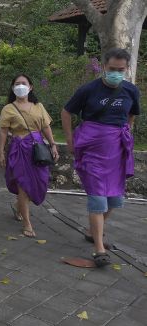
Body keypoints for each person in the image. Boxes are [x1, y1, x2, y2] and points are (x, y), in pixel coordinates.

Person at [61, 48, 140, 267]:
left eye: (120, 70)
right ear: (104, 67)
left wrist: (126, 131)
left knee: (115, 199)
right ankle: (99, 248)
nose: (116, 73)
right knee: (97, 198)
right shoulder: (88, 89)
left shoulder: (131, 91)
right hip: (91, 147)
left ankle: (93, 231)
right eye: (112, 69)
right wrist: (70, 141)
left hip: (116, 150)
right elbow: (66, 112)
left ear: (127, 69)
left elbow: (132, 113)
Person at [0, 74, 58, 238]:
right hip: (19, 149)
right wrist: (1, 152)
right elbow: (3, 131)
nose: (20, 86)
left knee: (40, 182)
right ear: (12, 88)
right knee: (23, 185)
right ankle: (27, 223)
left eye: (24, 83)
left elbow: (45, 127)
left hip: (37, 149)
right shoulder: (8, 108)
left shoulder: (38, 106)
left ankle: (18, 206)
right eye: (17, 84)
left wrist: (53, 144)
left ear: (31, 87)